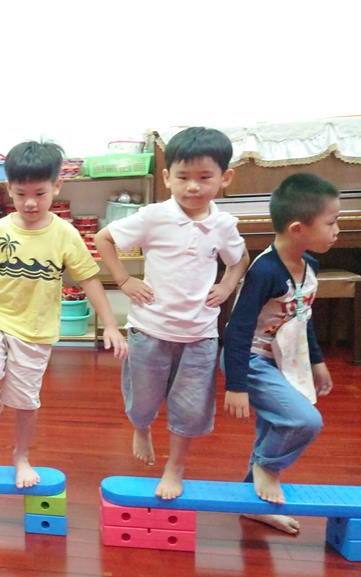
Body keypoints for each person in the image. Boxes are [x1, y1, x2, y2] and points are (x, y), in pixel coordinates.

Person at [0, 141, 127, 489]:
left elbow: (89, 279)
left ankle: (21, 456)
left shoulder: (65, 234)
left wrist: (110, 325)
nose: (30, 202)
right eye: (21, 194)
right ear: (9, 189)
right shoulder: (0, 230)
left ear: (57, 187)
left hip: (36, 330)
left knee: (25, 403)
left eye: (39, 193)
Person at [95, 127, 248, 499]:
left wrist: (227, 286)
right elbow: (104, 238)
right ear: (166, 178)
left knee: (190, 408)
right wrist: (123, 280)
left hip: (200, 335)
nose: (193, 186)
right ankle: (142, 428)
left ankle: (174, 467)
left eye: (205, 177)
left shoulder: (223, 224)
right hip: (150, 329)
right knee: (142, 398)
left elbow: (239, 258)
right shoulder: (153, 216)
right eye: (183, 177)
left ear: (225, 178)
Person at [223, 173, 339, 535]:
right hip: (251, 360)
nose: (337, 230)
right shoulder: (266, 271)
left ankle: (253, 503)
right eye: (331, 222)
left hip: (282, 358)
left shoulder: (309, 266)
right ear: (297, 229)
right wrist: (236, 385)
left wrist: (317, 361)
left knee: (275, 424)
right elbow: (237, 329)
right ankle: (267, 468)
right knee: (305, 421)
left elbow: (302, 318)